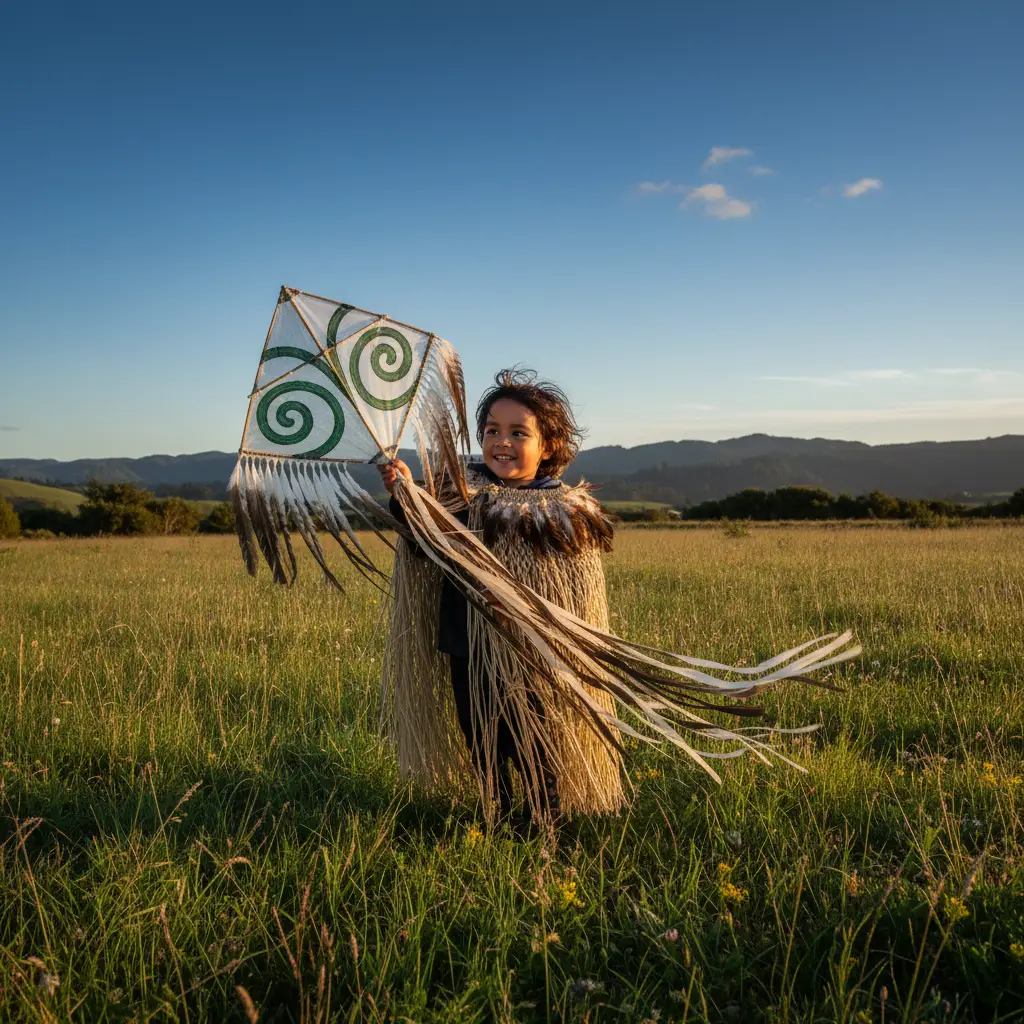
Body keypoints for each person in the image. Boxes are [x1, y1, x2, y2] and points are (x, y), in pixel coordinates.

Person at [378, 368, 622, 827]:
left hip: (527, 652)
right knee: (479, 734)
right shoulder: (460, 493)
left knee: (529, 736)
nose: (501, 442)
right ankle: (498, 811)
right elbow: (422, 538)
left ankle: (546, 819)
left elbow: (571, 586)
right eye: (492, 430)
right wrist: (406, 493)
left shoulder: (562, 509)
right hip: (465, 644)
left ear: (548, 446)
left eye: (517, 432)